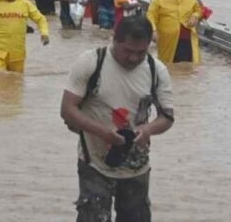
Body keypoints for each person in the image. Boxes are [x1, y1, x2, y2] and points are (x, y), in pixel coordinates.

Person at [60, 15, 174, 222]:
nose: (133, 58)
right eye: (128, 51)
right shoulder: (92, 62)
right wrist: (103, 132)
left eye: (141, 52)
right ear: (114, 39)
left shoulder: (157, 71)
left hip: (136, 166)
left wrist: (147, 130)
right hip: (93, 163)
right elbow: (67, 110)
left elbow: (167, 117)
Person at [147, 0, 202, 64]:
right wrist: (153, 30)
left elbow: (198, 10)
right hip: (167, 39)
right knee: (167, 64)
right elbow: (151, 15)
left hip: (186, 39)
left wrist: (195, 16)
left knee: (185, 66)